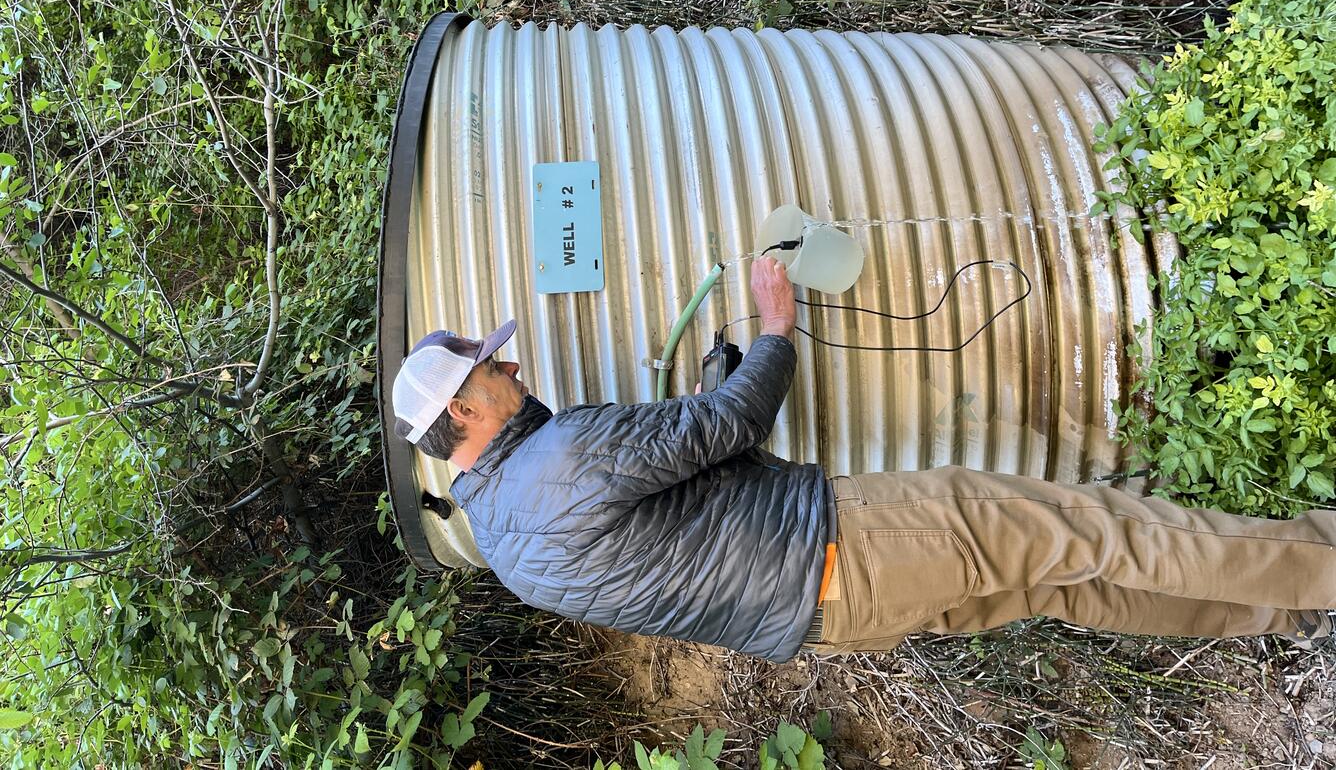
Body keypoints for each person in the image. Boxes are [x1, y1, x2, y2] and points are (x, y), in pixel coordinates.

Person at [390, 257, 1335, 663]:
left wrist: (710, 390)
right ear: (468, 406)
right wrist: (771, 327)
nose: (510, 363)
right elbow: (731, 424)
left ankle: (1274, 610)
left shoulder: (507, 545)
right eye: (491, 365)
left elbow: (669, 511)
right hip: (863, 544)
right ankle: (1321, 564)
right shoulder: (561, 452)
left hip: (837, 619)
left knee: (1060, 585)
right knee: (1095, 529)